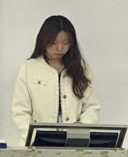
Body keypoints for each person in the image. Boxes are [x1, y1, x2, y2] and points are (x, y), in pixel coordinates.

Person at [12, 15, 100, 145]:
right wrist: (36, 137)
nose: (60, 48)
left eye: (65, 43)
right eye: (54, 43)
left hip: (74, 144)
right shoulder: (28, 68)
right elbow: (20, 111)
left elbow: (91, 106)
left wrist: (81, 128)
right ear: (44, 41)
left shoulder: (82, 68)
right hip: (36, 145)